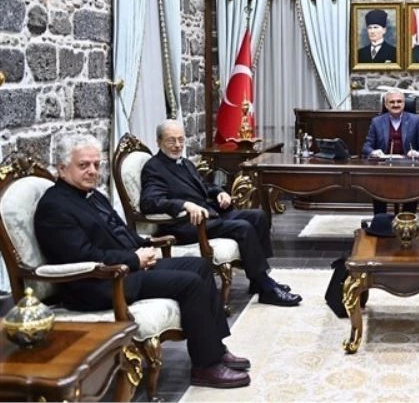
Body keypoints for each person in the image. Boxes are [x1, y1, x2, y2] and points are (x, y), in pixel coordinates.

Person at [34, 134, 251, 389]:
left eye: (96, 164)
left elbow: (119, 232)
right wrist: (134, 259)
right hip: (98, 283)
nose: (92, 171)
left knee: (200, 266)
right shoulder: (54, 207)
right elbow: (81, 255)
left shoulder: (91, 195)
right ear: (62, 168)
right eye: (84, 165)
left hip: (125, 268)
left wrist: (145, 245)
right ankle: (205, 366)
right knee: (190, 283)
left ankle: (215, 348)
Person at [139, 119, 301, 307]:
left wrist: (219, 193)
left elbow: (203, 186)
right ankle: (266, 288)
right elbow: (150, 202)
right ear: (158, 142)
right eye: (171, 140)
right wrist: (184, 205)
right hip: (187, 225)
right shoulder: (154, 167)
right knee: (243, 228)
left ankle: (258, 280)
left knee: (258, 217)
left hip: (211, 214)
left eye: (181, 140)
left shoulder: (185, 163)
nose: (177, 145)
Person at [361, 89, 419, 214]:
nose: (396, 105)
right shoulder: (377, 121)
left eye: (399, 101)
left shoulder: (415, 120)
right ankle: (380, 221)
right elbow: (366, 147)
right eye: (392, 102)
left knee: (412, 190)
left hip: (408, 167)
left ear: (404, 103)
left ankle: (407, 221)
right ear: (386, 104)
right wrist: (373, 152)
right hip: (383, 167)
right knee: (377, 188)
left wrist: (417, 153)